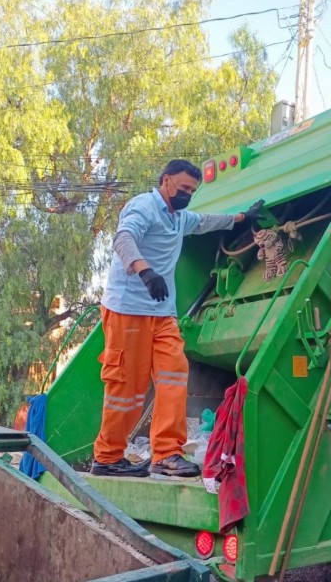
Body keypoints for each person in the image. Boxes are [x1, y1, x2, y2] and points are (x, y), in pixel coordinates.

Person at [91, 159, 264, 477]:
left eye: (192, 191)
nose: (187, 194)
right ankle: (107, 457)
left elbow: (204, 222)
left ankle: (167, 454)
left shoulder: (179, 217)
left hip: (162, 313)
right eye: (183, 188)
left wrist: (241, 219)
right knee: (126, 389)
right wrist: (145, 271)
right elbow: (123, 239)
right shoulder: (144, 206)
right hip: (127, 310)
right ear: (166, 181)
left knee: (174, 376)